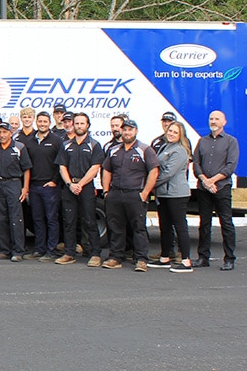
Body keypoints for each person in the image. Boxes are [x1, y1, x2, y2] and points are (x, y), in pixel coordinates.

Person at [101, 119, 159, 272]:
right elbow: (106, 170)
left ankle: (141, 259)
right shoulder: (114, 150)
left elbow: (154, 171)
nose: (127, 133)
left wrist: (145, 193)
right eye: (125, 130)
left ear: (136, 131)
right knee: (115, 228)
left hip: (135, 195)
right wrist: (106, 191)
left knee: (138, 228)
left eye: (130, 130)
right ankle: (115, 257)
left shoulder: (145, 149)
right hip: (115, 194)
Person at [55, 112, 105, 267]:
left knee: (89, 221)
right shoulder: (65, 145)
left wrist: (80, 184)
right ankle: (69, 253)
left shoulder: (94, 145)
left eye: (82, 123)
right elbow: (62, 167)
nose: (78, 126)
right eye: (76, 123)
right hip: (70, 187)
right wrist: (70, 184)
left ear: (88, 125)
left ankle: (95, 254)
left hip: (86, 187)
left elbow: (95, 168)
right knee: (69, 222)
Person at [192, 110, 240, 271]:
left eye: (217, 119)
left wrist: (213, 180)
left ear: (224, 122)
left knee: (226, 222)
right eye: (211, 119)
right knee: (204, 223)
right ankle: (203, 257)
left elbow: (231, 165)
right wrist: (205, 180)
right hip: (204, 188)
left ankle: (229, 259)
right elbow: (196, 163)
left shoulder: (231, 141)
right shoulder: (202, 141)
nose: (213, 121)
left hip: (222, 188)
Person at [152, 120, 193, 272]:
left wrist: (151, 184)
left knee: (180, 226)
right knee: (165, 226)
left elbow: (168, 173)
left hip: (177, 194)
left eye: (175, 132)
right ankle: (165, 257)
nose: (171, 134)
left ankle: (186, 260)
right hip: (163, 194)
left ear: (180, 135)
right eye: (170, 130)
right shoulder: (165, 146)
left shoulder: (180, 151)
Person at [0, 122, 31, 262]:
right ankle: (4, 249)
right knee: (0, 218)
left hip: (14, 183)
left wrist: (25, 188)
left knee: (16, 218)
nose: (2, 135)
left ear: (10, 133)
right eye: (0, 132)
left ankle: (18, 250)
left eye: (5, 132)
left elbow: (26, 169)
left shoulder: (19, 147)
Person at [22, 111, 61, 262]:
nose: (42, 124)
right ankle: (39, 249)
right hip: (34, 186)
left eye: (45, 121)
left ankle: (51, 250)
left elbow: (61, 163)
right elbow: (26, 166)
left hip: (50, 186)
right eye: (40, 121)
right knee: (37, 219)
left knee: (51, 219)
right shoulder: (30, 142)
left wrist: (55, 181)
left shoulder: (56, 141)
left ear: (49, 123)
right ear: (36, 123)